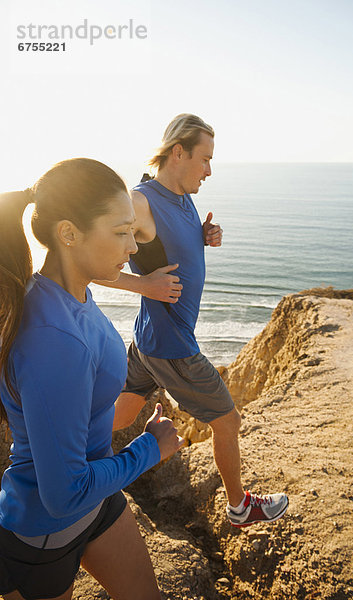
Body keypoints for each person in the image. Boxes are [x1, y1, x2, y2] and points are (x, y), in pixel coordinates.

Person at [0, 158, 184, 600]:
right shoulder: (52, 340)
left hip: (98, 499)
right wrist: (150, 448)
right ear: (69, 234)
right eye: (121, 232)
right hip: (43, 535)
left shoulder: (71, 291)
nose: (133, 247)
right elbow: (63, 494)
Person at [98, 114, 289, 527]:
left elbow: (166, 245)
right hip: (173, 348)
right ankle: (240, 507)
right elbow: (88, 265)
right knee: (228, 420)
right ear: (178, 152)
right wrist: (143, 285)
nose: (209, 170)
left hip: (147, 341)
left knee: (123, 415)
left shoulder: (183, 196)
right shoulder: (139, 203)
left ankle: (65, 452)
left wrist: (201, 237)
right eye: (205, 159)